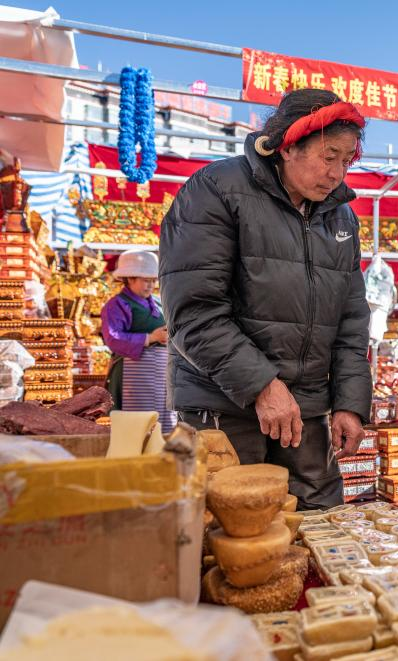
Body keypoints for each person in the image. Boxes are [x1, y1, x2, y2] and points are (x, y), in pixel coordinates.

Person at [160, 89, 371, 509]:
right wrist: (262, 385)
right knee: (228, 528)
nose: (337, 173)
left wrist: (349, 403)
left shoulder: (341, 216)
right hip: (224, 405)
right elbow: (194, 312)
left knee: (319, 527)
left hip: (306, 410)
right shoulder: (216, 190)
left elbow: (350, 319)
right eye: (328, 157)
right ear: (288, 146)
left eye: (347, 160)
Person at [100, 249, 175, 434]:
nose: (151, 285)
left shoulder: (158, 302)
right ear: (130, 278)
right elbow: (113, 338)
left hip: (162, 371)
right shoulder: (116, 305)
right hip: (133, 374)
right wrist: (151, 337)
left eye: (153, 280)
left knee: (164, 423)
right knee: (136, 427)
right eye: (146, 280)